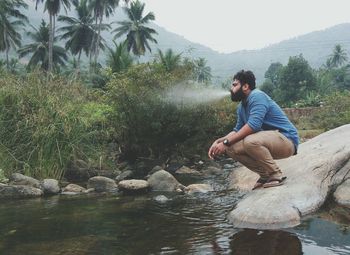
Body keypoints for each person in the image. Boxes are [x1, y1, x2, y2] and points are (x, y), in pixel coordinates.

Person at [208, 70, 299, 189]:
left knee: (250, 141)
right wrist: (220, 141)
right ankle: (265, 175)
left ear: (245, 86)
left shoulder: (257, 96)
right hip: (270, 142)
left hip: (287, 140)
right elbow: (237, 130)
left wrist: (225, 142)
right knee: (230, 148)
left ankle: (275, 174)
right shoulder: (242, 107)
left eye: (235, 85)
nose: (231, 88)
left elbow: (253, 125)